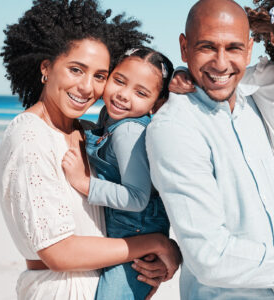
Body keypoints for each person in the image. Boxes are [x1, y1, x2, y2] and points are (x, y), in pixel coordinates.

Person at [146, 0, 274, 299]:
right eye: (206, 47)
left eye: (233, 48)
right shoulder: (174, 129)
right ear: (184, 47)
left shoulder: (253, 106)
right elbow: (209, 257)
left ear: (250, 49)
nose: (220, 62)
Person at [0, 0, 181, 299]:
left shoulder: (87, 132)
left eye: (99, 75)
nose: (87, 87)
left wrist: (151, 263)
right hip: (61, 290)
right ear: (46, 67)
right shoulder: (30, 137)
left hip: (105, 282)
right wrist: (156, 244)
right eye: (75, 69)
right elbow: (59, 253)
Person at [61, 46, 174, 300]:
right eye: (119, 81)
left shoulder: (129, 131)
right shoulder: (110, 116)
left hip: (137, 243)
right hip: (128, 237)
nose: (123, 95)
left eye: (141, 92)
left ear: (156, 103)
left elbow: (136, 198)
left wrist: (83, 182)